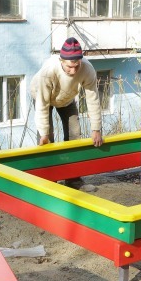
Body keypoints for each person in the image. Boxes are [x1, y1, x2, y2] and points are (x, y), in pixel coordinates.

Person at [29, 37, 104, 188]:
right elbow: (42, 104)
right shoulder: (49, 72)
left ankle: (73, 178)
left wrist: (96, 129)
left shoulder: (87, 70)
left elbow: (93, 99)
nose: (74, 70)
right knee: (47, 139)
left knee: (75, 134)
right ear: (62, 60)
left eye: (77, 66)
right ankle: (49, 180)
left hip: (67, 99)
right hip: (43, 98)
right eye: (70, 66)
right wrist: (43, 133)